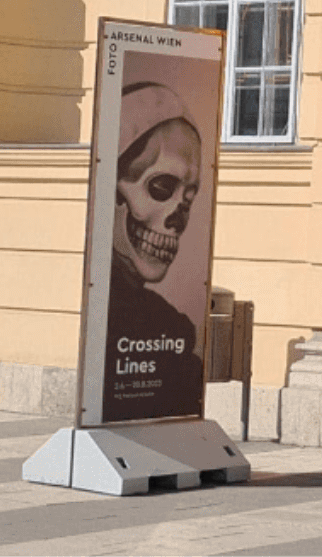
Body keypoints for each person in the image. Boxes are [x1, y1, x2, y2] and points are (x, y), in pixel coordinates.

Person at [102, 82, 207, 422]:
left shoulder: (171, 329)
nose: (177, 219)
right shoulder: (102, 316)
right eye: (161, 187)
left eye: (188, 200)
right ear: (113, 188)